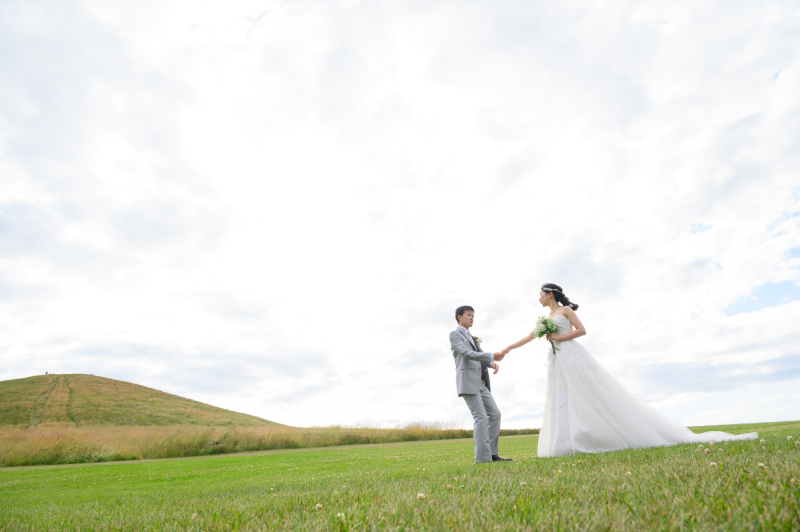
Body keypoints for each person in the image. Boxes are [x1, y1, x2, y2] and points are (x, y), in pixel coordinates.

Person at [500, 283, 758, 457]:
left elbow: (582, 331)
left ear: (550, 294)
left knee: (589, 395)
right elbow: (529, 336)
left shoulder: (565, 310)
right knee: (560, 398)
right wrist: (508, 349)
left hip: (571, 355)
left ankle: (596, 434)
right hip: (557, 361)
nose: (539, 298)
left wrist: (559, 339)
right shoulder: (545, 319)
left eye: (541, 294)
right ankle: (564, 442)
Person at [450, 305, 511, 463]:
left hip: (481, 383)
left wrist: (491, 363)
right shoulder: (455, 335)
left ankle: (492, 454)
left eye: (473, 316)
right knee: (481, 418)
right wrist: (492, 355)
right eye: (468, 315)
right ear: (459, 317)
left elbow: (478, 354)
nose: (472, 318)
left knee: (495, 414)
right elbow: (467, 353)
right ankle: (483, 460)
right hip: (468, 382)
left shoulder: (471, 336)